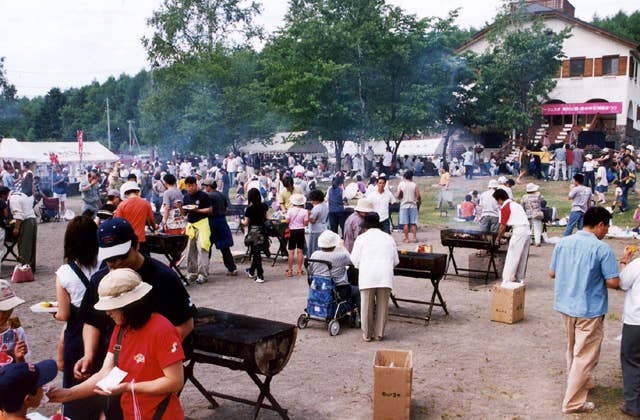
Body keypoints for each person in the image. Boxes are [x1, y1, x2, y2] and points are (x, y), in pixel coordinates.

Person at [74, 218, 195, 419]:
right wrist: (88, 354)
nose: (117, 264)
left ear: (136, 244)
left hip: (153, 367)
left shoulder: (164, 278)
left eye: (122, 257)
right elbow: (91, 321)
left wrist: (151, 357)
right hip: (115, 361)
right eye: (110, 260)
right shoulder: (100, 281)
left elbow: (185, 324)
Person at [50, 269, 186, 419]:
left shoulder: (162, 330)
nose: (107, 312)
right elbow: (106, 372)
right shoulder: (121, 329)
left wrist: (129, 387)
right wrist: (68, 394)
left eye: (111, 307)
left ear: (129, 305)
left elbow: (174, 382)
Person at [549, 206, 621, 414]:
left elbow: (552, 273)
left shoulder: (563, 242)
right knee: (585, 355)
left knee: (573, 349)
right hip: (589, 308)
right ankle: (573, 403)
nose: (607, 231)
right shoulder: (602, 248)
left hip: (566, 305)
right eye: (606, 227)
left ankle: (583, 382)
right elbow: (613, 282)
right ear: (600, 225)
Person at [53, 215, 102, 419]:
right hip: (103, 334)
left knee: (76, 392)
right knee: (102, 387)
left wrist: (54, 313)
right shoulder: (105, 265)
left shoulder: (64, 272)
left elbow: (63, 314)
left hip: (76, 336)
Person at [351, 213, 399, 342]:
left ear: (366, 226)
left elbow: (354, 260)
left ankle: (367, 334)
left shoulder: (361, 239)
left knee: (366, 305)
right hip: (385, 276)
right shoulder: (388, 238)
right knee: (383, 306)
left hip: (367, 275)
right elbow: (396, 261)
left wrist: (363, 265)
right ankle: (379, 334)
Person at [309, 230, 360, 309]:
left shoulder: (315, 254)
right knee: (357, 291)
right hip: (338, 290)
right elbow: (353, 261)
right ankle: (358, 314)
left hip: (318, 287)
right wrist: (343, 247)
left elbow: (311, 270)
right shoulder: (341, 256)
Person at [618, 245, 640, 417]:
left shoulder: (637, 265)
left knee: (631, 361)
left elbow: (622, 283)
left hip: (636, 321)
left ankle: (633, 404)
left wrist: (625, 261)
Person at [493, 188, 530, 284]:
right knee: (522, 256)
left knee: (513, 256)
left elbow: (502, 227)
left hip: (519, 231)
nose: (498, 203)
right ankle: (519, 278)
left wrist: (498, 238)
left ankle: (507, 279)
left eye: (497, 201)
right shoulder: (516, 205)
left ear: (500, 199)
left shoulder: (505, 207)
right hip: (526, 230)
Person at [181, 176, 213, 284]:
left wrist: (197, 210)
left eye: (192, 186)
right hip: (191, 225)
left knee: (202, 249)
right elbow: (184, 213)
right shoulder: (185, 197)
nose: (190, 188)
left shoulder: (203, 196)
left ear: (196, 185)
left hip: (202, 224)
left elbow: (209, 209)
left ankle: (203, 274)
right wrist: (180, 207)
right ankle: (191, 273)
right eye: (188, 186)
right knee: (190, 250)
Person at [203, 178, 237, 276]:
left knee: (207, 246)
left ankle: (205, 269)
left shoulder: (208, 196)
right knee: (225, 247)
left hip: (211, 221)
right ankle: (232, 268)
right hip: (222, 221)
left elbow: (207, 210)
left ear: (209, 186)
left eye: (206, 186)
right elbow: (226, 210)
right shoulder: (222, 195)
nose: (205, 188)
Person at [114, 181, 158, 252]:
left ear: (125, 193)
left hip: (127, 241)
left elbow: (117, 223)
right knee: (144, 260)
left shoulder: (121, 205)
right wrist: (155, 228)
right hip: (140, 240)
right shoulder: (146, 204)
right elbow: (151, 220)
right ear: (137, 191)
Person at [243, 188, 268, 283]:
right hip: (262, 231)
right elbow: (266, 218)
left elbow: (246, 223)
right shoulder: (264, 206)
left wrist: (241, 221)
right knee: (255, 251)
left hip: (253, 231)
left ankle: (260, 275)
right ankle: (251, 270)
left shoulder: (249, 209)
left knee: (256, 254)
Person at [0, 280, 29, 363]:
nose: (8, 314)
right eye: (3, 310)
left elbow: (22, 368)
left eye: (10, 308)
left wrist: (19, 357)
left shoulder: (17, 332)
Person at [9, 190, 37, 269]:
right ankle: (30, 266)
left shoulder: (13, 199)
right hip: (32, 219)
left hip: (26, 222)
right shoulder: (22, 194)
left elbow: (19, 215)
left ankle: (24, 268)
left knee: (24, 245)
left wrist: (16, 228)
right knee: (31, 246)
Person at [285, 193, 309, 277]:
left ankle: (290, 271)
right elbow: (306, 223)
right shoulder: (305, 211)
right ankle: (299, 270)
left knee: (291, 252)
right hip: (301, 231)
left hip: (292, 231)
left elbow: (287, 221)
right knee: (300, 251)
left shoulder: (290, 210)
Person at [396, 170, 420, 243]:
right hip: (413, 205)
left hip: (404, 205)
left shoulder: (401, 184)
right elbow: (418, 196)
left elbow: (397, 195)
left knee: (405, 223)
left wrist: (400, 197)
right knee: (413, 223)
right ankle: (414, 238)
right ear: (411, 177)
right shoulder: (414, 185)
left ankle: (406, 238)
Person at [307, 189, 328, 258]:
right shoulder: (325, 205)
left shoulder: (317, 208)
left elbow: (312, 220)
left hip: (316, 230)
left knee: (314, 246)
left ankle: (313, 260)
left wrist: (307, 215)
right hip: (323, 227)